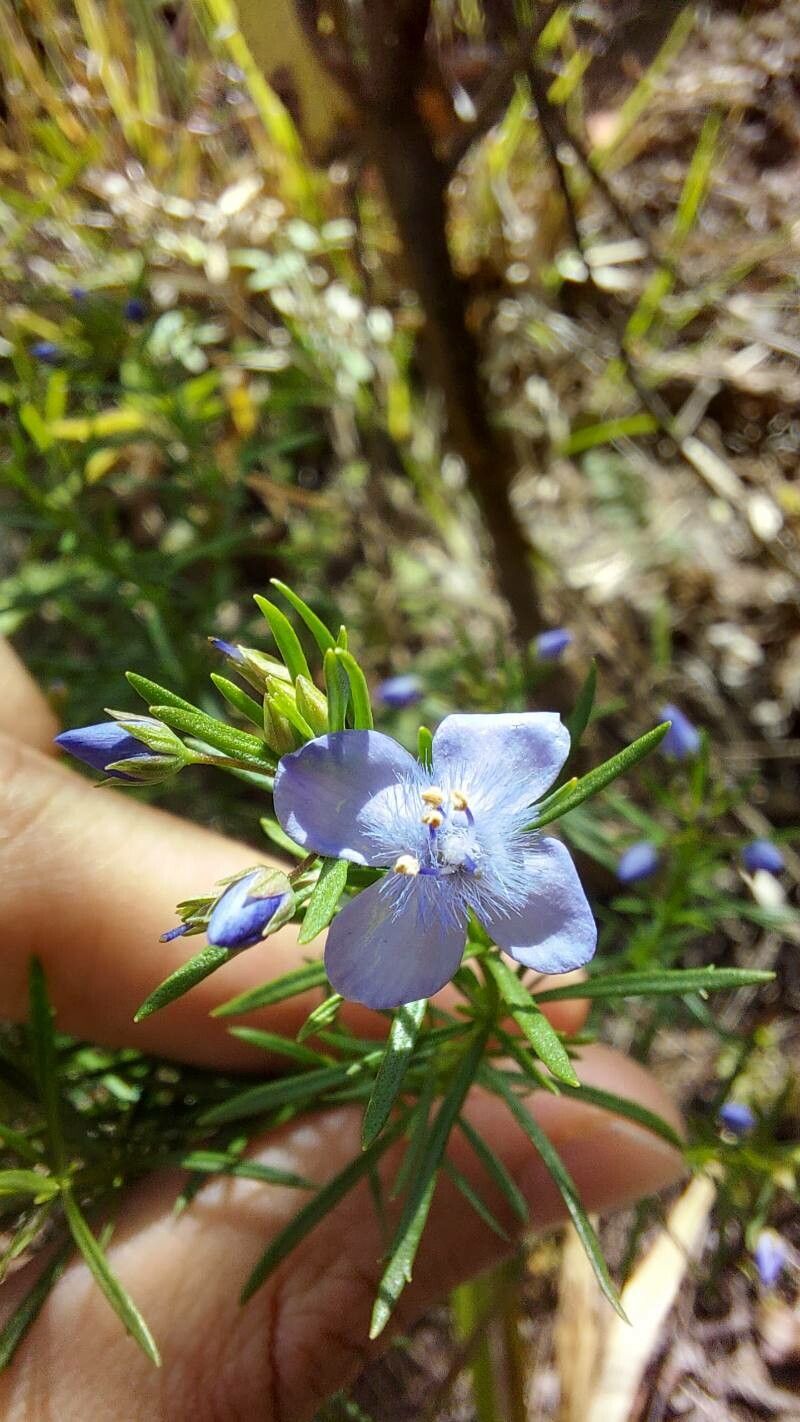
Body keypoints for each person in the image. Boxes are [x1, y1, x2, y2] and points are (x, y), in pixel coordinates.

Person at [0, 640, 683, 1420]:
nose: (452, 838)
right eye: (444, 829)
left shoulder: (497, 815)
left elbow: (557, 938)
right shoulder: (358, 830)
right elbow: (314, 777)